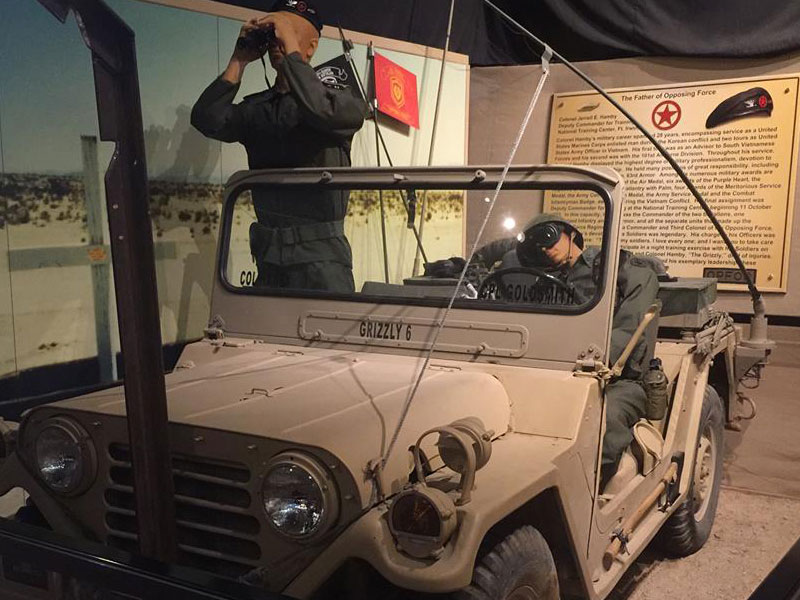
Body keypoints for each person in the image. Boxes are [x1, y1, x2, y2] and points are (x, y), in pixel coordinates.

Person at [473, 213, 660, 487]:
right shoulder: (537, 278)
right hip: (547, 370)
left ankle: (585, 492)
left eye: (549, 238)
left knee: (601, 424)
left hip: (611, 378)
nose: (546, 248)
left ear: (570, 234)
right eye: (538, 245)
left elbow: (630, 325)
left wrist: (595, 358)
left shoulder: (612, 266)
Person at [191, 1, 366, 292]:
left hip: (322, 260)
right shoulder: (259, 110)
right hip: (270, 257)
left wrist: (292, 55)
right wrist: (239, 60)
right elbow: (207, 119)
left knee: (324, 335)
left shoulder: (341, 104)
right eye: (274, 35)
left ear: (310, 48)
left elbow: (319, 109)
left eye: (288, 33)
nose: (277, 42)